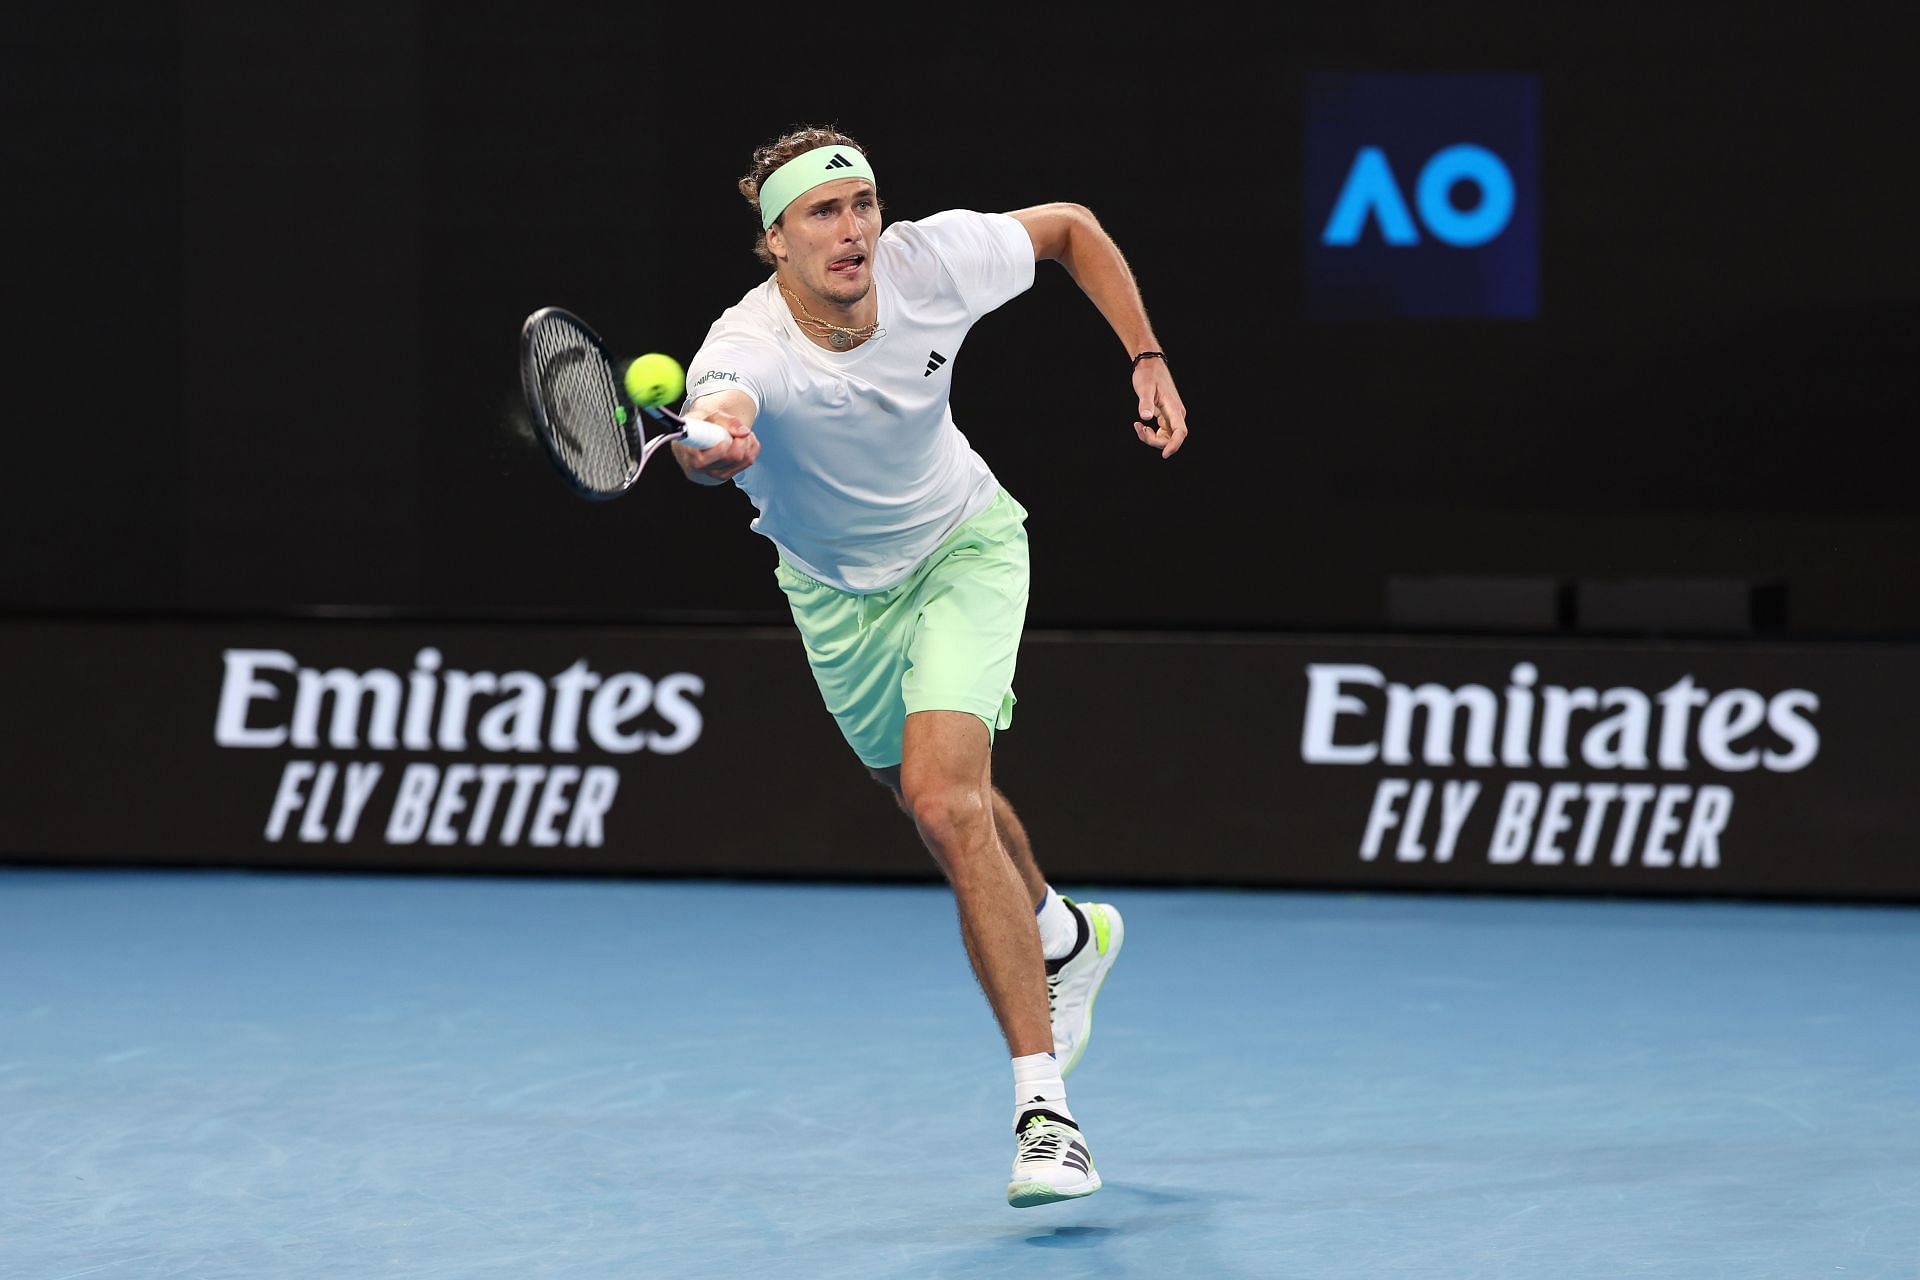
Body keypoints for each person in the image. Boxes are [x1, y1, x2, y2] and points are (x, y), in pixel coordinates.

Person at [671, 124, 1188, 1207]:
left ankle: (1044, 1110)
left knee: (946, 801)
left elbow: (1071, 231)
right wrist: (711, 446)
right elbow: (717, 416)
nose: (852, 227)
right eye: (822, 212)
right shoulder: (745, 344)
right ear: (774, 242)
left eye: (861, 202)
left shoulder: (929, 261)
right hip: (834, 593)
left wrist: (1144, 355)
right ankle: (1066, 933)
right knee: (930, 803)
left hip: (966, 547)